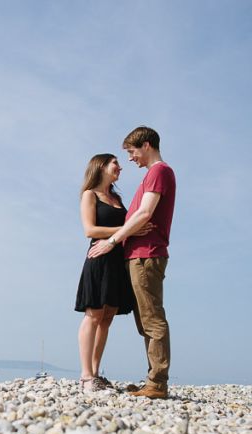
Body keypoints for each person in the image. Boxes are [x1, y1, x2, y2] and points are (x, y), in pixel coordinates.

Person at [88, 126, 176, 399]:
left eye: (132, 151)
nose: (129, 159)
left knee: (152, 320)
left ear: (146, 145)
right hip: (138, 255)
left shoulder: (159, 172)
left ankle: (158, 383)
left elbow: (145, 214)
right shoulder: (151, 175)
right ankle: (153, 379)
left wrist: (112, 241)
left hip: (147, 254)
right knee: (145, 321)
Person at [75, 154, 151, 392]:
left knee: (107, 318)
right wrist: (127, 230)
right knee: (94, 315)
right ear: (101, 166)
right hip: (99, 257)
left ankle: (96, 372)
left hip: (118, 261)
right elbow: (90, 230)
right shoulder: (90, 195)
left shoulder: (117, 198)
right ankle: (86, 376)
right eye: (115, 163)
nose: (120, 167)